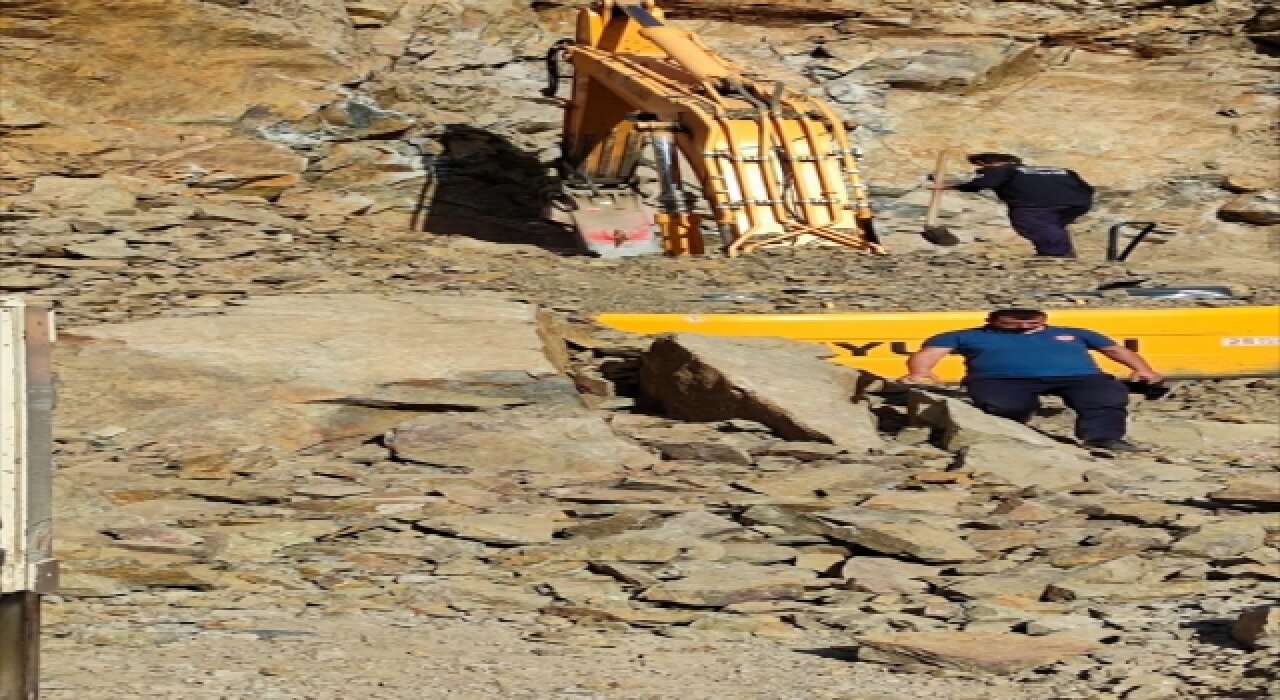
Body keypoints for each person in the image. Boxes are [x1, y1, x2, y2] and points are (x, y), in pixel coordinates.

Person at [901, 308, 1163, 452]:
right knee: (1004, 406)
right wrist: (921, 372)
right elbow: (929, 354)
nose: (1024, 325)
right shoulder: (965, 335)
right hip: (1001, 379)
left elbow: (1116, 350)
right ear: (993, 319)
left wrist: (1143, 370)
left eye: (1031, 320)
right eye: (1015, 320)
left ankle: (1103, 438)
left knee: (1104, 397)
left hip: (1079, 377)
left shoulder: (1075, 333)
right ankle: (1010, 438)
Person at [933, 152, 1094, 258]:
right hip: (1077, 204)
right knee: (1051, 228)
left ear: (984, 163)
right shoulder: (1059, 170)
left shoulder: (1002, 170)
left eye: (979, 167)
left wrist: (950, 186)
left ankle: (1059, 258)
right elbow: (1087, 188)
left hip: (1034, 206)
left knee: (1037, 226)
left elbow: (983, 183)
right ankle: (1058, 254)